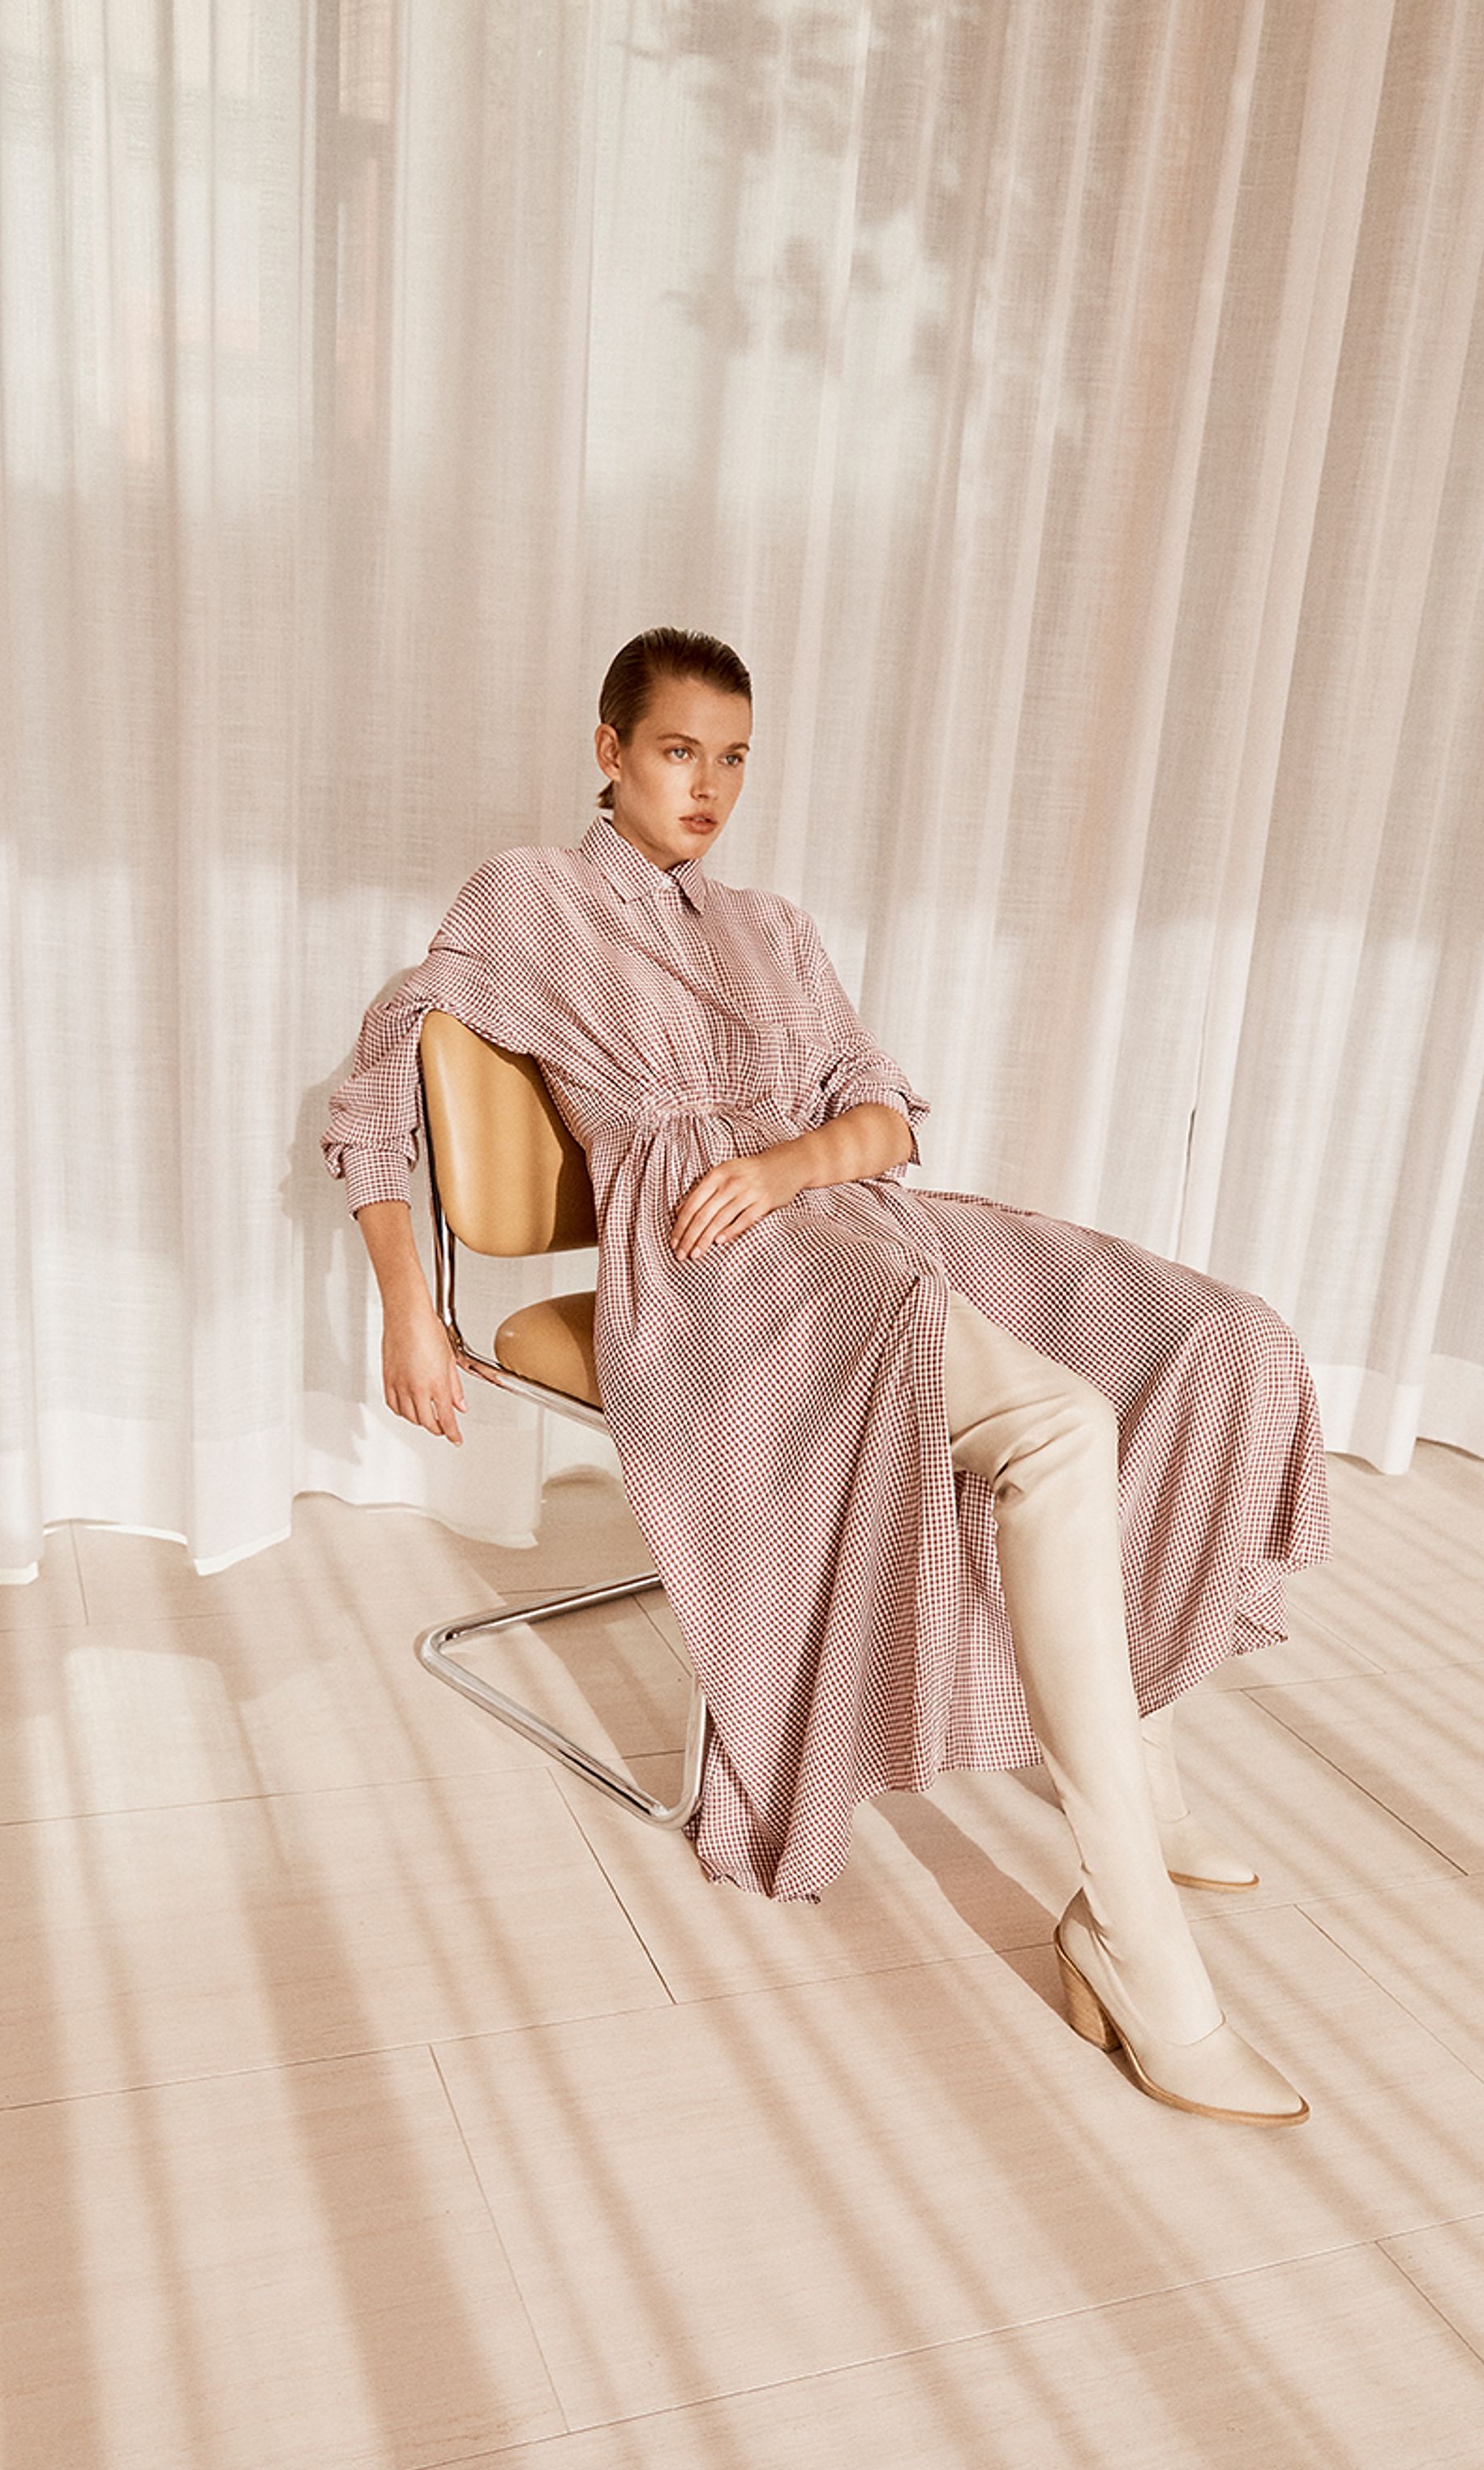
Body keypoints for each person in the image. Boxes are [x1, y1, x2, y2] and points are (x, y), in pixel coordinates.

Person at [324, 627, 1332, 2125]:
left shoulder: (778, 930)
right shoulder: (527, 900)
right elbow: (374, 1088)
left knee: (1207, 1339)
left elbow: (884, 1115)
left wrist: (796, 1156)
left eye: (735, 758)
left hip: (854, 1220)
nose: (710, 787)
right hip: (714, 1272)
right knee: (1055, 1425)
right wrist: (411, 1308)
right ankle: (1133, 1936)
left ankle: (1140, 1773)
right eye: (679, 751)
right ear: (609, 749)